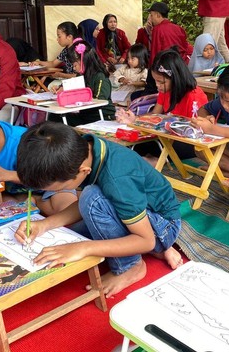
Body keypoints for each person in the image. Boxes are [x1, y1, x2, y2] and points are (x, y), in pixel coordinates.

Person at [13, 122, 183, 298]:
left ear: (83, 171)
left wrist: (84, 248)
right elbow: (88, 205)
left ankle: (131, 266)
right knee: (71, 233)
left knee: (91, 200)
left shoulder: (117, 180)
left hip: (162, 225)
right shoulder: (86, 150)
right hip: (136, 213)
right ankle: (159, 250)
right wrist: (44, 225)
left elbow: (145, 240)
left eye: (57, 189)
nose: (54, 193)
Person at [49, 41, 116, 125]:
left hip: (102, 115)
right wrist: (60, 88)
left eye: (75, 65)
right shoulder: (80, 76)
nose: (73, 68)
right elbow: (71, 86)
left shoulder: (100, 77)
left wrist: (77, 98)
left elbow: (100, 101)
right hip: (85, 115)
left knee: (60, 120)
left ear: (84, 61)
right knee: (53, 117)